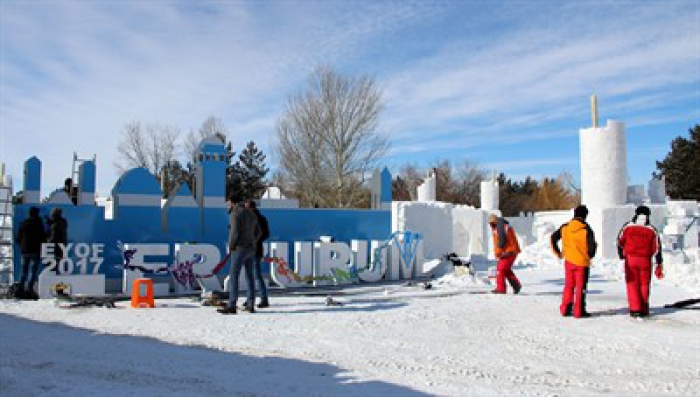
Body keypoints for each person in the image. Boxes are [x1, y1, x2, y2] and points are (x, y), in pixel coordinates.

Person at [550, 205, 597, 318]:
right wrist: (590, 256)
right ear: (585, 215)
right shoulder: (586, 229)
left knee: (569, 286)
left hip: (569, 261)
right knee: (581, 287)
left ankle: (565, 309)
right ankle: (579, 311)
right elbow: (591, 247)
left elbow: (553, 238)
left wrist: (558, 253)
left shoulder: (565, 227)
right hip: (582, 263)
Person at [617, 205, 663, 318]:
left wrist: (621, 256)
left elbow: (620, 241)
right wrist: (659, 263)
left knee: (632, 283)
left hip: (631, 259)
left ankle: (635, 308)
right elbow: (657, 248)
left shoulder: (628, 227)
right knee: (644, 284)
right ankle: (644, 308)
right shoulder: (652, 229)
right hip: (646, 260)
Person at [218, 199, 261, 315]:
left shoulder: (236, 213)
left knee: (234, 276)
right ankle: (251, 304)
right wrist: (253, 241)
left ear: (232, 202)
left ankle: (232, 305)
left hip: (240, 248)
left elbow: (234, 231)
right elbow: (258, 231)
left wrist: (232, 246)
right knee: (250, 276)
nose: (227, 205)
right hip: (251, 248)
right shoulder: (251, 213)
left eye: (227, 203)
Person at [244, 200, 270, 309]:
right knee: (255, 275)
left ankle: (260, 298)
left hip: (251, 249)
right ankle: (256, 298)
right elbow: (266, 234)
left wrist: (253, 241)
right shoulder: (262, 218)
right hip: (257, 248)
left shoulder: (250, 219)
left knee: (253, 275)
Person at [16, 206, 46, 298]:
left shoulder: (23, 223)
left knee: (23, 270)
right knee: (33, 271)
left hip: (25, 250)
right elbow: (43, 237)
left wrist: (22, 246)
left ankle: (20, 289)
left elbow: (18, 238)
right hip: (35, 250)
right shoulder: (38, 224)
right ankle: (29, 289)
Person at [488, 214, 522, 294]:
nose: (491, 225)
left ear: (494, 221)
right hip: (510, 251)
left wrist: (498, 252)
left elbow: (501, 242)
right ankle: (516, 285)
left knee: (500, 269)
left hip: (509, 251)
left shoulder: (500, 226)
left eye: (491, 223)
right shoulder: (500, 226)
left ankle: (501, 289)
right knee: (505, 269)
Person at [46, 207, 68, 273]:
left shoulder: (56, 224)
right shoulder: (62, 222)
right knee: (60, 262)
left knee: (53, 264)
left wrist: (48, 240)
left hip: (55, 246)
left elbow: (54, 236)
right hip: (61, 245)